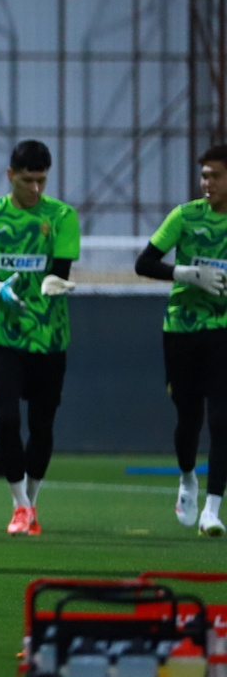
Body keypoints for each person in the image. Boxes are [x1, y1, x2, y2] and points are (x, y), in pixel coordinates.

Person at [0, 140, 80, 536]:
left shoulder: (61, 216)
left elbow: (61, 269)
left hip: (49, 337)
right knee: (8, 418)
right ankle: (18, 506)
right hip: (1, 335)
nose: (35, 189)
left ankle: (33, 500)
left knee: (42, 425)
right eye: (27, 180)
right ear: (10, 175)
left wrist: (55, 283)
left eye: (41, 181)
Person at [134, 144, 227, 536]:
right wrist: (188, 274)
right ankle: (187, 478)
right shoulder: (185, 216)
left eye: (215, 176)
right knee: (189, 419)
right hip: (181, 330)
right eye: (204, 175)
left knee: (222, 420)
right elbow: (144, 263)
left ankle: (213, 510)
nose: (207, 183)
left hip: (222, 330)